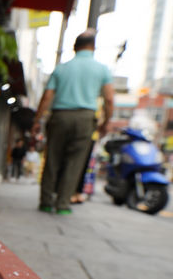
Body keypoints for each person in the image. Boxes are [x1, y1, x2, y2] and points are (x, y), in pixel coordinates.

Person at [32, 29, 114, 215]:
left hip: (60, 116)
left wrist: (37, 120)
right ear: (93, 47)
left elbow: (47, 97)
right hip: (85, 118)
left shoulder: (62, 68)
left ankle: (45, 201)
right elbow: (109, 99)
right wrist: (106, 122)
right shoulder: (101, 69)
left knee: (52, 159)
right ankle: (62, 204)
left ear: (74, 47)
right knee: (75, 162)